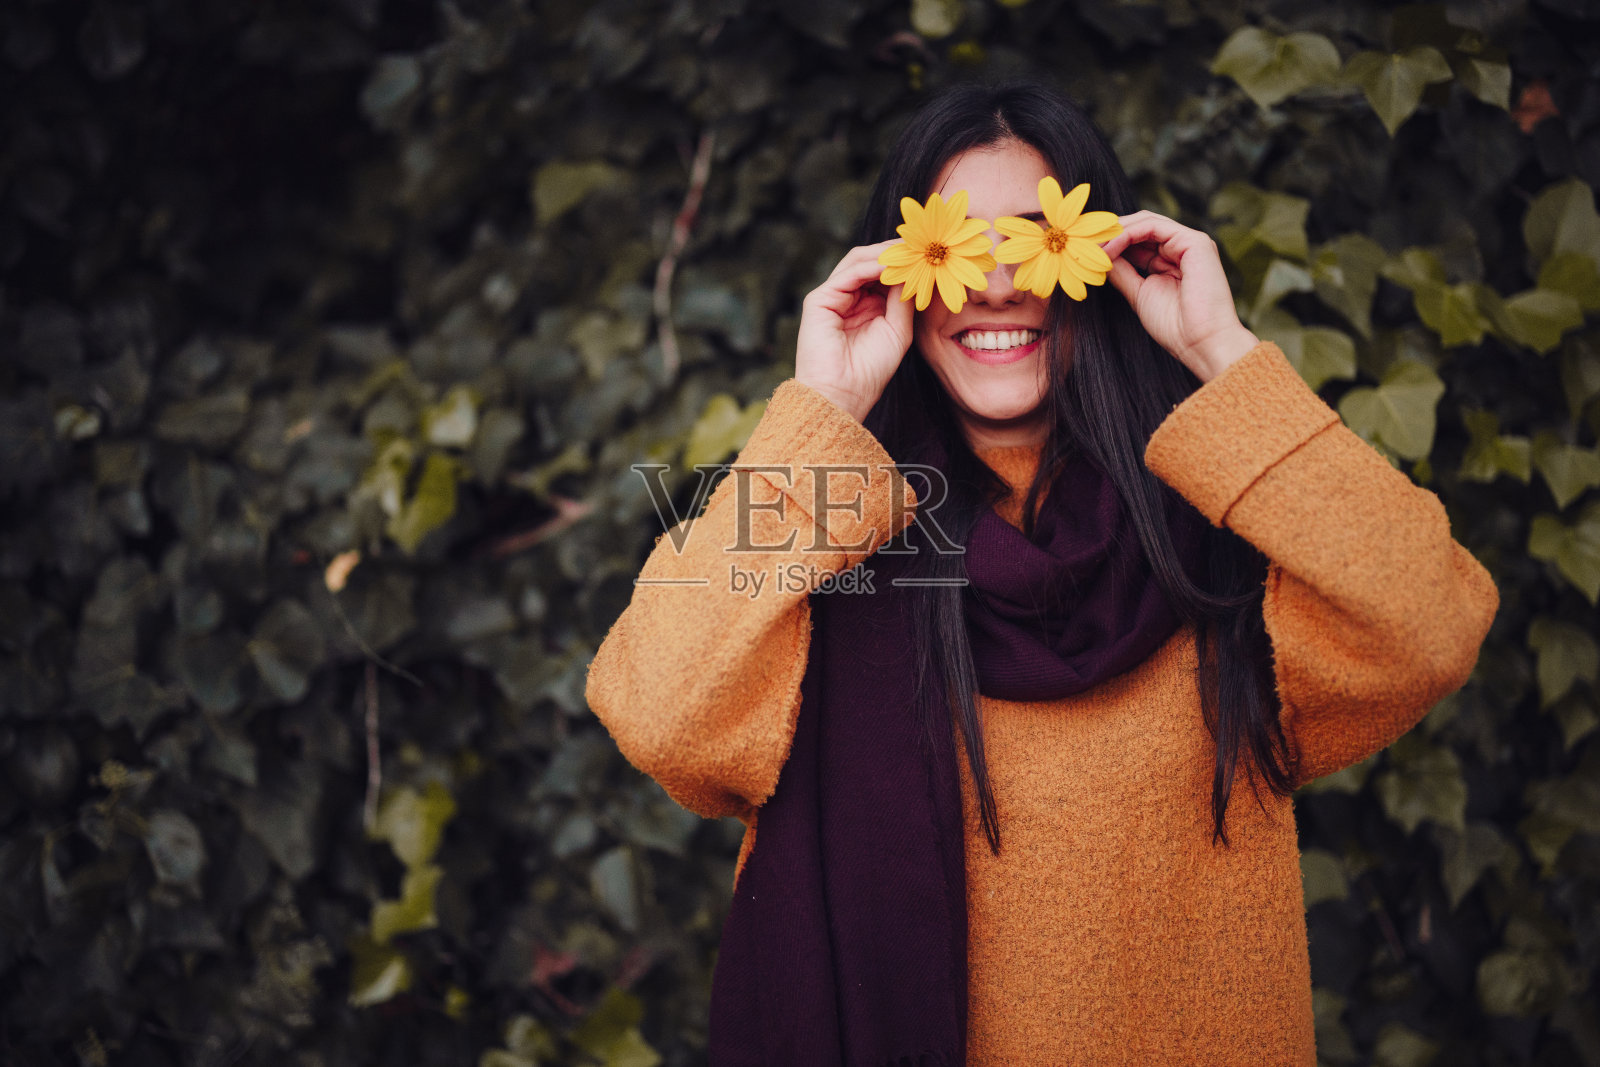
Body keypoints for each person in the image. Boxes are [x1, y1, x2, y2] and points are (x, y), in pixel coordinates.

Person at [584, 81, 1498, 1066]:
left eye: (1032, 241)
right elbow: (662, 717)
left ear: (1098, 261)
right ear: (899, 270)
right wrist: (824, 410)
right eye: (954, 247)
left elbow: (1429, 623)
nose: (994, 286)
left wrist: (1220, 353)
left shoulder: (1220, 534)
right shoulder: (826, 553)